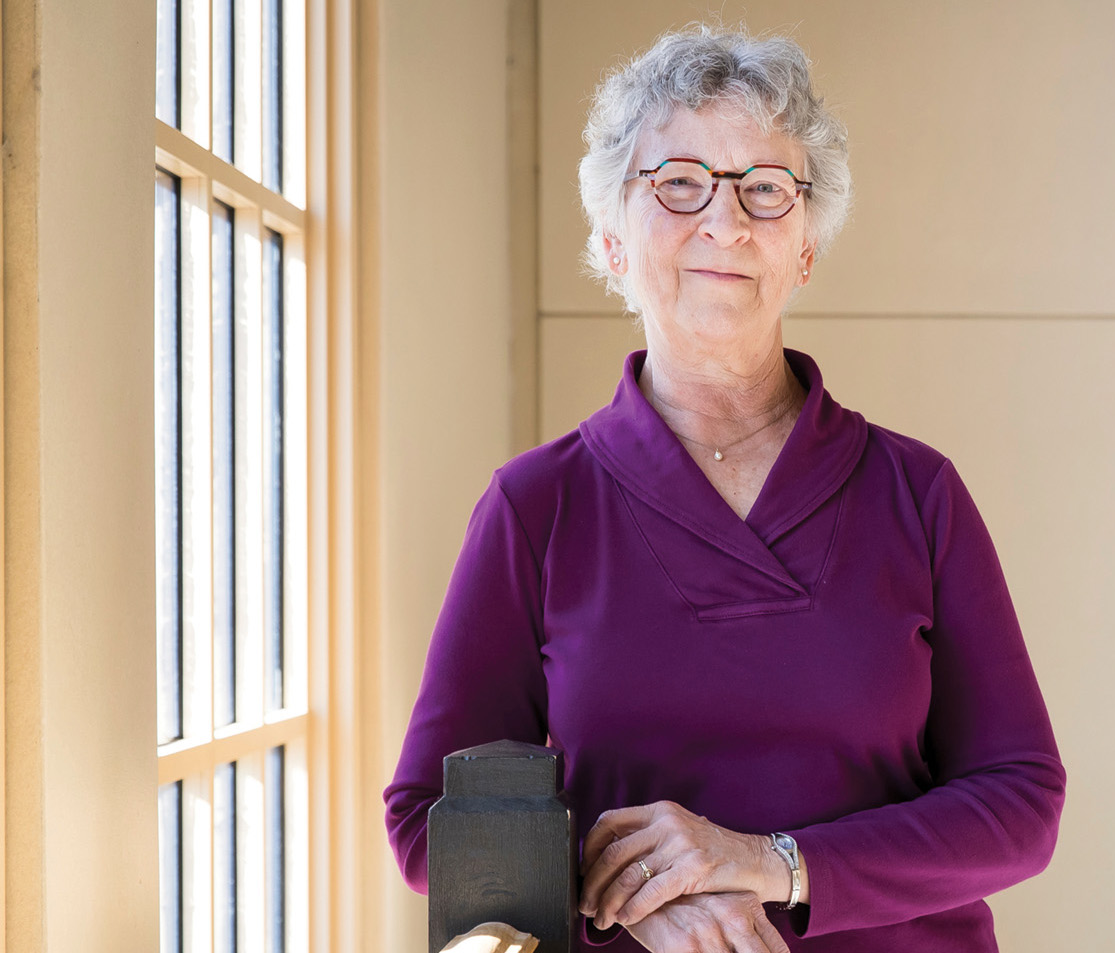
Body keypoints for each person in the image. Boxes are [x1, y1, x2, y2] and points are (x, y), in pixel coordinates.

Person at [383, 24, 1067, 953]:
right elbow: (429, 818)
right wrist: (642, 890)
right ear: (611, 241)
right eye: (678, 184)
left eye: (765, 189)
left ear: (807, 249)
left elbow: (1020, 802)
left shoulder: (919, 494)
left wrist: (767, 860)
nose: (726, 220)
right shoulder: (535, 508)